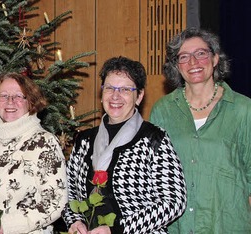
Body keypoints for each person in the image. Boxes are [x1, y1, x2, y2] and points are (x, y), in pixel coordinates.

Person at [64, 56, 186, 234]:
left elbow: (173, 203)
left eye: (125, 89)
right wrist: (74, 220)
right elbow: (70, 192)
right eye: (110, 88)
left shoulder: (153, 139)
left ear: (139, 96)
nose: (115, 96)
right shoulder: (84, 140)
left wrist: (118, 229)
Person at [150, 28, 251, 233]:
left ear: (215, 59)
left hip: (227, 225)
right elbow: (153, 176)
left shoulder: (243, 109)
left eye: (201, 54)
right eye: (184, 57)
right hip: (177, 227)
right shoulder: (162, 111)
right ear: (177, 66)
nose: (193, 62)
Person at [0, 73, 67, 234]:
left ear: (31, 101)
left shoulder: (44, 142)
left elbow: (56, 202)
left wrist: (6, 226)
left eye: (19, 96)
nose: (10, 101)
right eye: (3, 95)